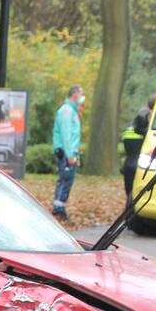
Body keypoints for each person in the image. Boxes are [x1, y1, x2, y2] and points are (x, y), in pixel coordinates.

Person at [52, 85, 85, 220]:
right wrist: (70, 156)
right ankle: (59, 209)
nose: (83, 98)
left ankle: (59, 207)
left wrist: (75, 154)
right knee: (65, 180)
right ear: (75, 95)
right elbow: (66, 135)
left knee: (65, 180)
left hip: (69, 152)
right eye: (82, 94)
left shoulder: (71, 111)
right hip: (66, 153)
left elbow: (73, 136)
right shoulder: (67, 111)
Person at [121, 95, 156, 200]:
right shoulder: (147, 121)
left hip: (129, 163)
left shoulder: (135, 122)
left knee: (130, 193)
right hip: (139, 164)